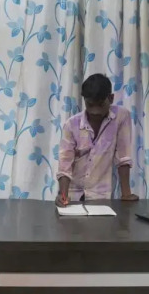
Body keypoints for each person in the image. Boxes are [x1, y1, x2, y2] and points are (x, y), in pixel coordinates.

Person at [56, 74, 139, 206]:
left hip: (101, 197)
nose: (95, 111)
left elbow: (123, 157)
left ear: (111, 98)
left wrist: (126, 194)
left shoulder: (121, 117)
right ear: (84, 100)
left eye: (100, 105)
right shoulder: (71, 124)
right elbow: (65, 163)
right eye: (90, 105)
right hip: (73, 194)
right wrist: (63, 195)